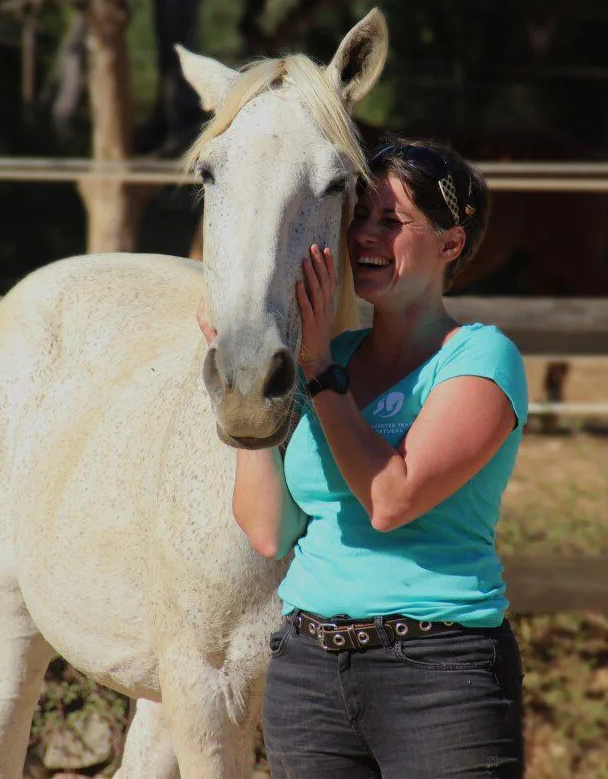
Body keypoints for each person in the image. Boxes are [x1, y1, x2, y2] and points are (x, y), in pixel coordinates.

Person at [200, 138, 528, 777]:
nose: (364, 236)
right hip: (309, 672)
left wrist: (319, 370)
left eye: (391, 221)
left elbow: (390, 499)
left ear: (451, 244)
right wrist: (245, 404)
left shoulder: (481, 360)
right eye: (359, 217)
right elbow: (269, 530)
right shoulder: (333, 358)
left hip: (439, 675)